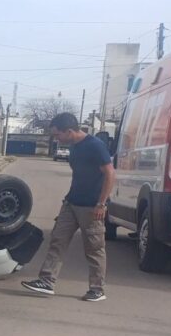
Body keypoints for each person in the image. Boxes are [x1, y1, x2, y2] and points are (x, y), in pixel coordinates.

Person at [21, 113, 115, 302]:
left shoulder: (95, 146)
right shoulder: (74, 147)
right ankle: (46, 281)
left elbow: (110, 174)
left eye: (58, 135)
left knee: (94, 248)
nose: (57, 139)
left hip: (92, 207)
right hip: (71, 203)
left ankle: (97, 289)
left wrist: (101, 203)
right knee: (58, 240)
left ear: (70, 131)